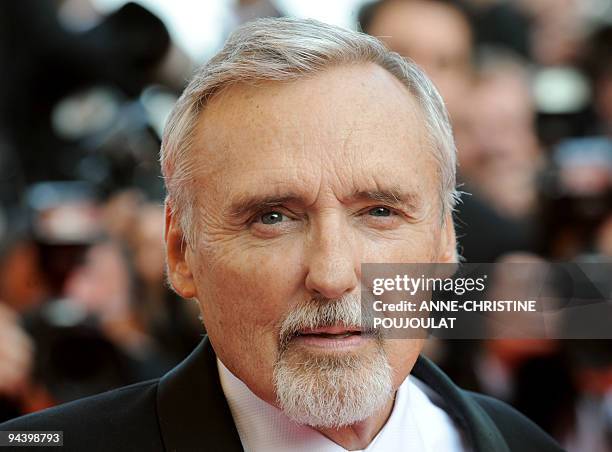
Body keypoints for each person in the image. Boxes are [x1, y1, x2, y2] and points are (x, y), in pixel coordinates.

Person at [0, 18, 563, 451]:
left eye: (380, 213)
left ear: (445, 246)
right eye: (273, 217)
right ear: (181, 252)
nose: (333, 274)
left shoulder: (524, 443)